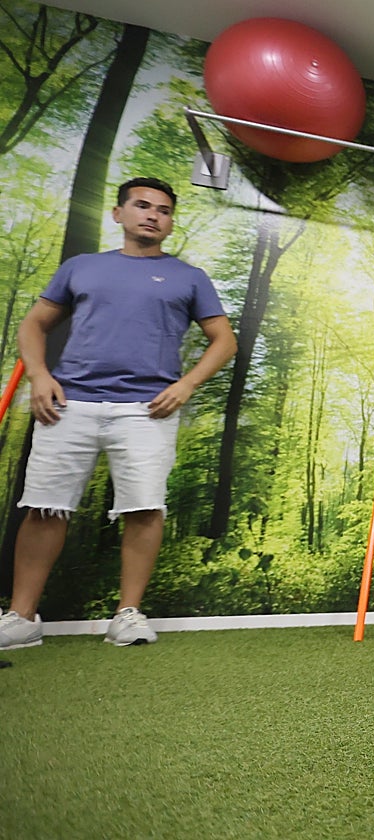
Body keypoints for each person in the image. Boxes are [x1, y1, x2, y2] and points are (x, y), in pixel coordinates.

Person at [0, 177, 237, 650]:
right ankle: (22, 618)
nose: (153, 215)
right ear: (118, 213)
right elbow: (34, 324)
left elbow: (224, 341)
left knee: (145, 508)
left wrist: (186, 384)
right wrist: (39, 375)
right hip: (68, 405)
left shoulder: (189, 277)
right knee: (45, 507)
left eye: (163, 210)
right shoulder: (82, 267)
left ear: (170, 223)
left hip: (147, 411)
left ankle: (127, 615)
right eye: (143, 205)